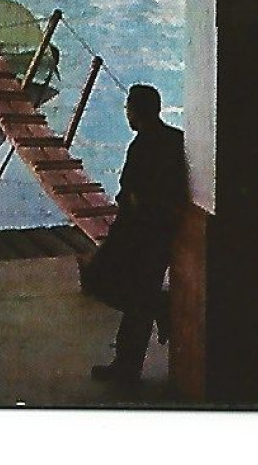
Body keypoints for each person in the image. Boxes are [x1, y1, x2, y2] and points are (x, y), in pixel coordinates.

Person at [83, 83, 188, 386]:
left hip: (137, 234)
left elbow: (130, 198)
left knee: (100, 281)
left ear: (135, 112)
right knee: (140, 298)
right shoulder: (175, 139)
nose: (126, 113)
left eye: (128, 108)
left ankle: (130, 358)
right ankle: (128, 365)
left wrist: (118, 240)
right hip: (164, 235)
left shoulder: (140, 147)